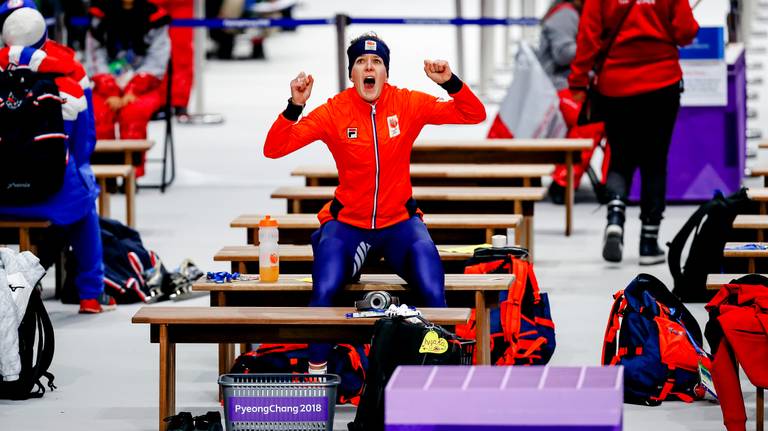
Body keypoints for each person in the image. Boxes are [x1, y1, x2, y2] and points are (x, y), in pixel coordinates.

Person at [263, 32, 486, 374]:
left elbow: (474, 114)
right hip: (348, 225)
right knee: (324, 287)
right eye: (361, 63)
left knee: (432, 286)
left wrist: (450, 82)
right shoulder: (334, 111)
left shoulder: (407, 103)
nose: (369, 67)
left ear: (386, 73)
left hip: (400, 223)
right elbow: (275, 148)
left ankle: (442, 375)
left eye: (377, 62)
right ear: (352, 74)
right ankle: (316, 381)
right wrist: (295, 105)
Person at [569, 0, 699, 264]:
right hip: (662, 84)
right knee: (654, 161)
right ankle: (649, 243)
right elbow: (685, 32)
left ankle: (615, 216)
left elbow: (588, 35)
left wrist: (579, 81)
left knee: (620, 157)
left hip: (616, 86)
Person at [0, 1, 110, 314]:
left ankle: (22, 280)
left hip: (1, 195)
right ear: (45, 37)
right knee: (86, 201)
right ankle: (90, 293)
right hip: (53, 195)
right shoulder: (71, 79)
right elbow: (85, 144)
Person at [87, 0, 171, 177]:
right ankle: (105, 175)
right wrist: (109, 88)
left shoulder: (156, 17)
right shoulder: (99, 15)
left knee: (133, 113)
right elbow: (94, 55)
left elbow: (158, 59)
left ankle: (131, 175)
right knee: (98, 112)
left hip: (145, 86)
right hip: (105, 86)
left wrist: (134, 88)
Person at [537, 0, 608, 205]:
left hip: (571, 87)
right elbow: (563, 53)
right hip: (558, 89)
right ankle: (563, 182)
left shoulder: (572, 13)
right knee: (590, 121)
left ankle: (609, 182)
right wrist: (598, 46)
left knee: (611, 116)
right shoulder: (566, 14)